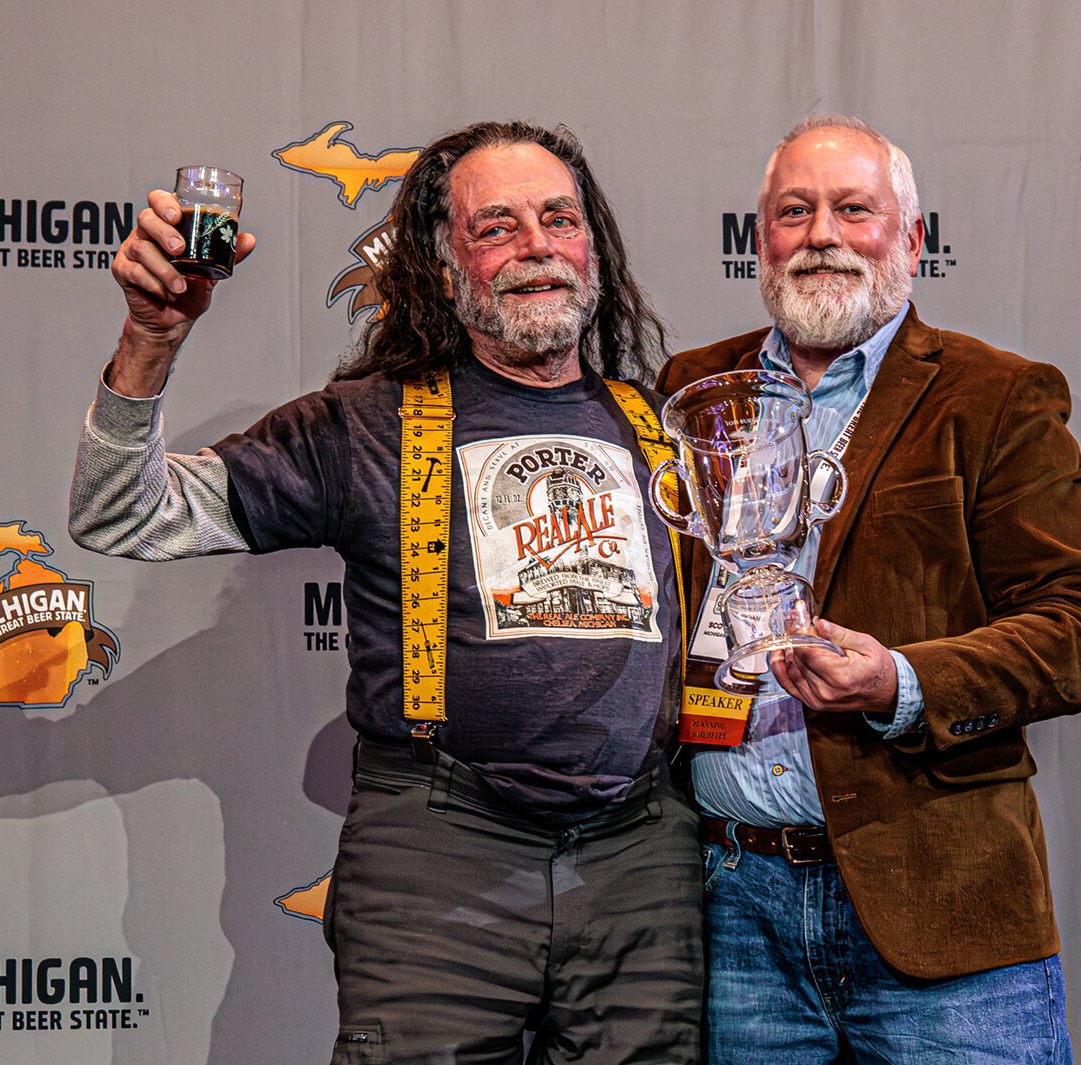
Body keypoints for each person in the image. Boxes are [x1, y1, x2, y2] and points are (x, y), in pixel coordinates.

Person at [70, 121, 701, 1065]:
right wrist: (151, 335)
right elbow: (122, 514)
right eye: (496, 227)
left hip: (642, 857)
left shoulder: (667, 428)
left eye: (558, 219)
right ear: (445, 271)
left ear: (593, 249)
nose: (536, 244)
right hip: (439, 854)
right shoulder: (363, 423)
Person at [656, 116, 1081, 1064]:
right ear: (761, 242)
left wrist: (901, 680)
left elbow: (1079, 633)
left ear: (910, 239)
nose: (821, 233)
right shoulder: (695, 388)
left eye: (852, 209)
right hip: (732, 908)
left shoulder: (997, 396)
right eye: (795, 211)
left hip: (941, 905)